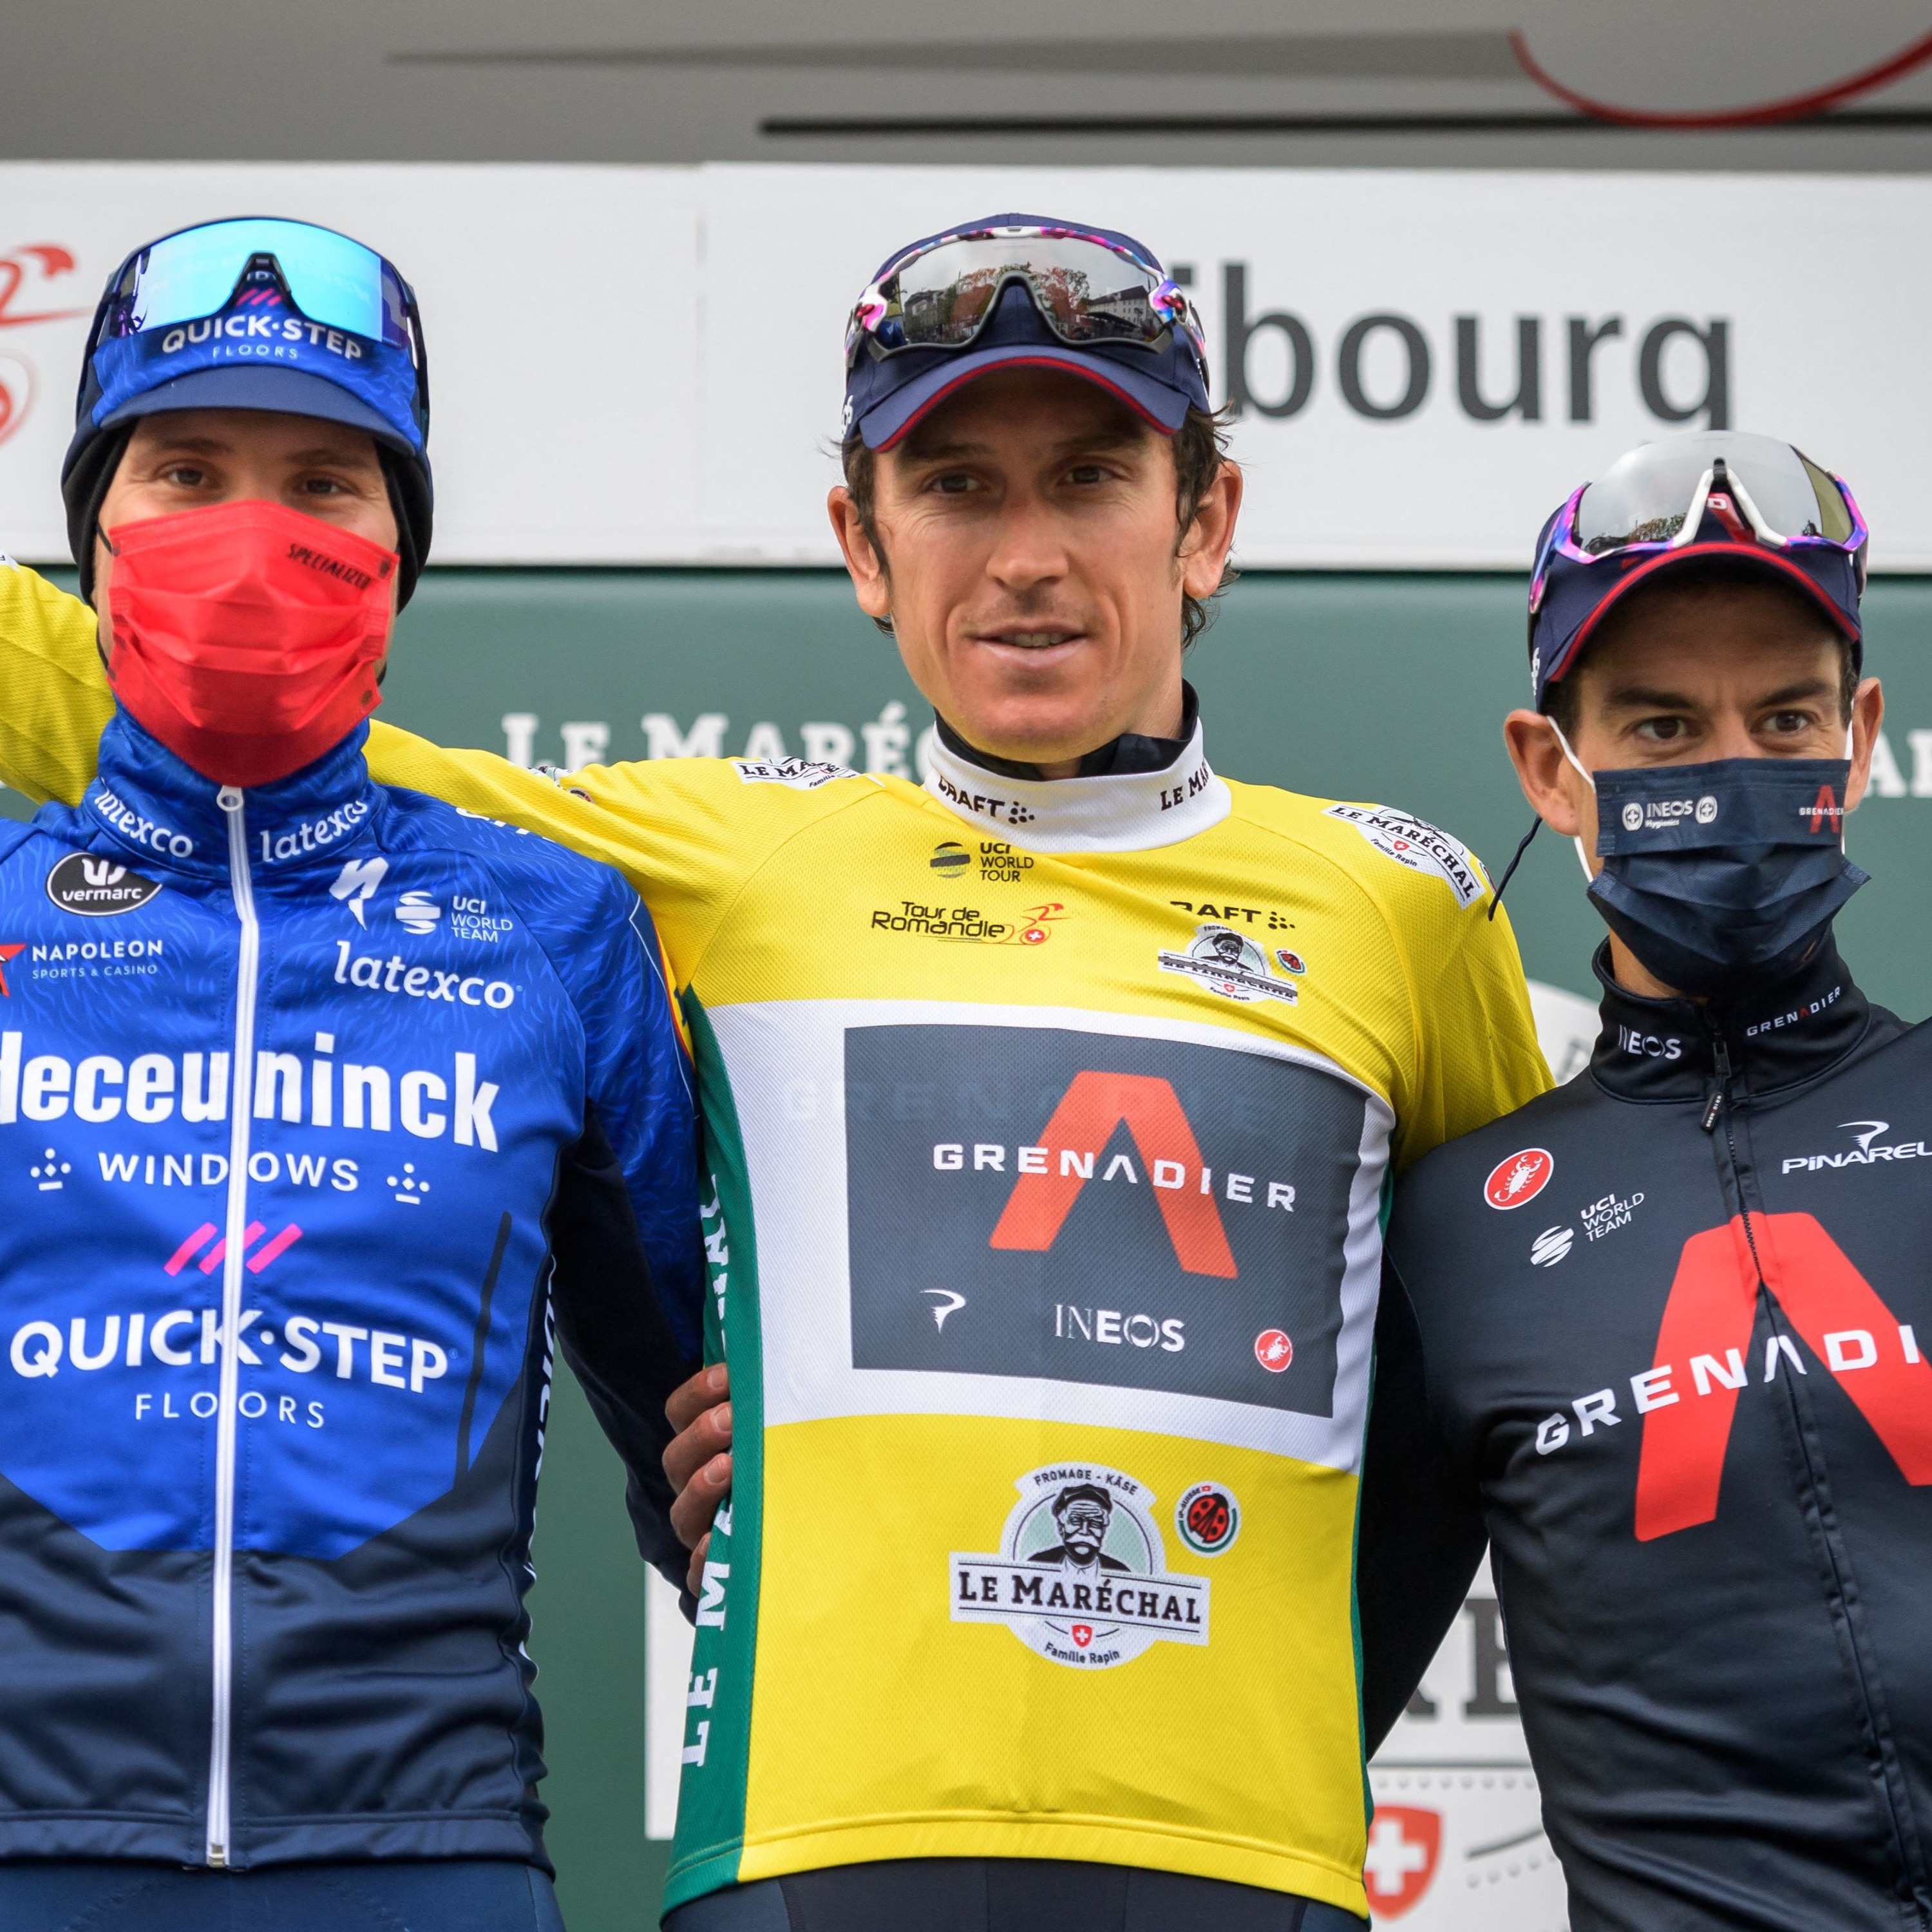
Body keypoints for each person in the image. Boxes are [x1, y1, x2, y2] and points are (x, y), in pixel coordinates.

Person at [0, 215, 1551, 1931]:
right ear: (861, 545)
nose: (1026, 559)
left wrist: (1316, 1710)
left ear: (1207, 522)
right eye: (954, 488)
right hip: (805, 1848)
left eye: (1091, 478)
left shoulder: (1407, 906)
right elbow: (246, 758)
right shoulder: (701, 871)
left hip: (1248, 1854)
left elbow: (1511, 1401)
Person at [0, 218, 705, 1931]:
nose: (252, 540)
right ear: (92, 539)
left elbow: (703, 1451)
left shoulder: (557, 930)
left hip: (428, 1854)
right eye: (186, 472)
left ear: (400, 552)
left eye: (324, 482)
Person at [1358, 430, 1932, 1931]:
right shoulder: (1453, 1235)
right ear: (1550, 771)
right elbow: (1280, 1713)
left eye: (1786, 716)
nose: (1734, 770)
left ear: (1859, 739)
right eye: (1664, 727)